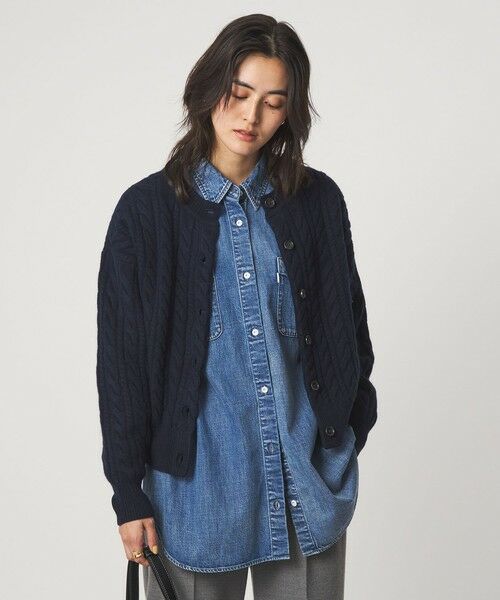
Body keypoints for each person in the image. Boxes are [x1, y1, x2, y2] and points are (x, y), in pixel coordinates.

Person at [96, 13, 378, 600]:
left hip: (305, 486)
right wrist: (127, 493)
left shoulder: (319, 202)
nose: (251, 117)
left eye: (273, 103)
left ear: (290, 113)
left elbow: (349, 325)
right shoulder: (145, 215)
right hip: (193, 497)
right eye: (239, 93)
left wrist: (347, 432)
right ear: (208, 88)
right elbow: (121, 368)